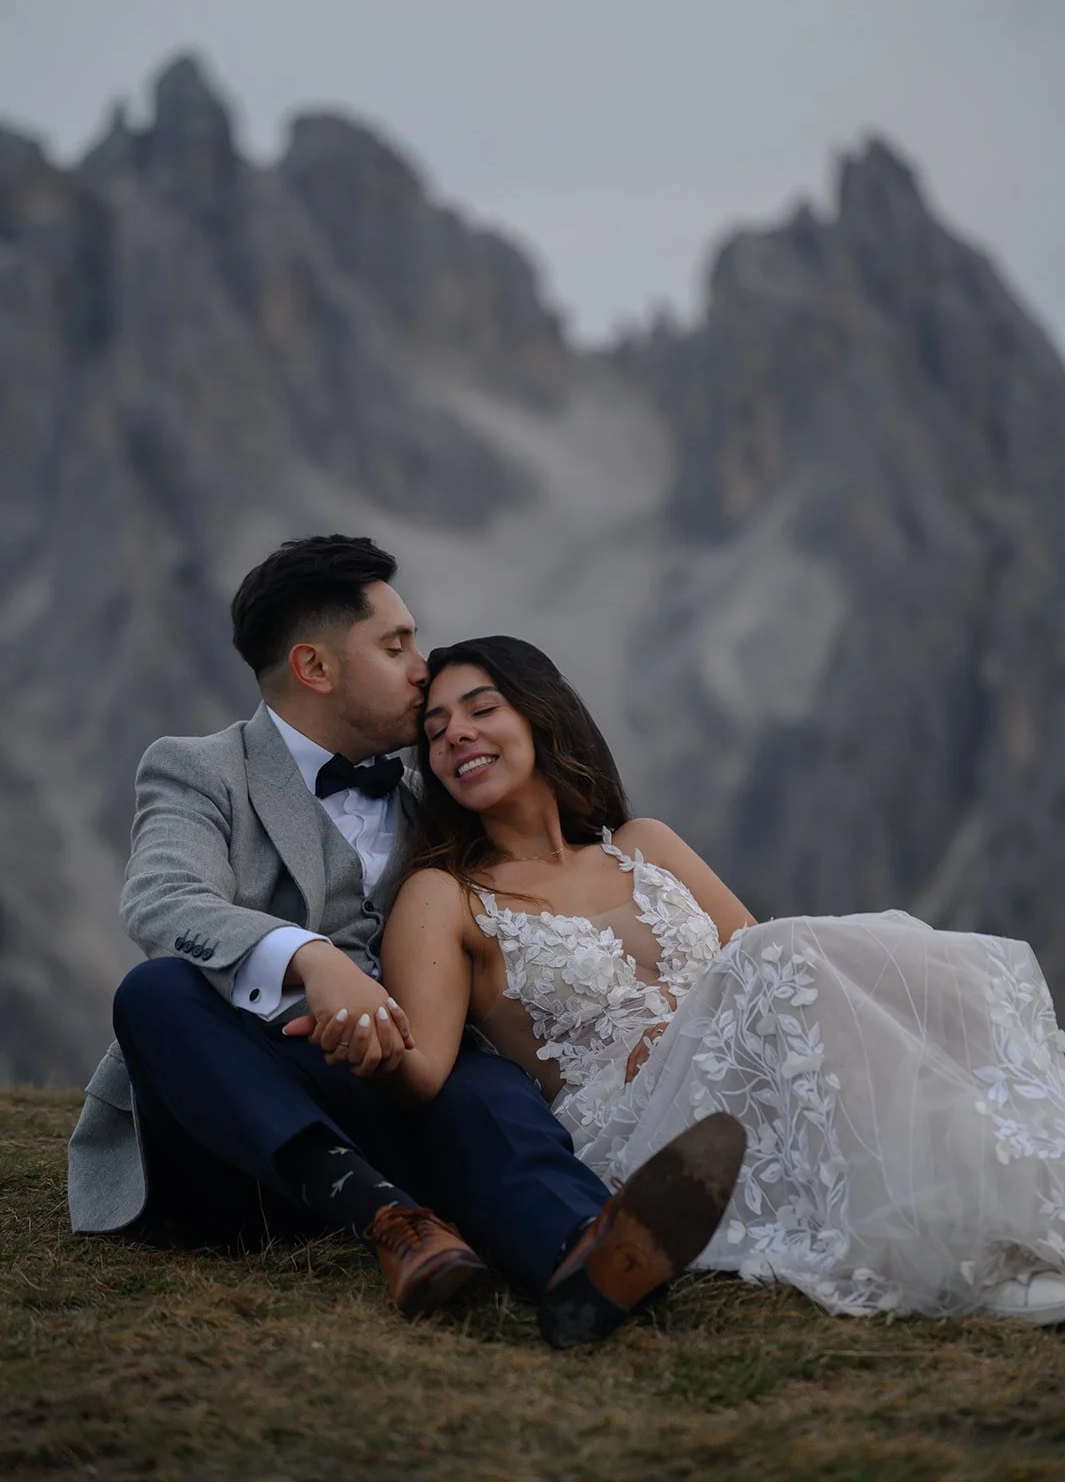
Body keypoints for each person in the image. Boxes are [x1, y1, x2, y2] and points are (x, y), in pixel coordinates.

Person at [67, 537, 745, 1349]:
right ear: (316, 669)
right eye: (396, 646)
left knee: (481, 1082)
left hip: (392, 1087)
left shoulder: (442, 785)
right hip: (234, 1134)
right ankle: (388, 1219)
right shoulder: (200, 771)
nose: (421, 668)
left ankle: (584, 1259)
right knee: (156, 992)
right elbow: (160, 898)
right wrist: (311, 960)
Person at [358, 633, 1065, 1325]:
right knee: (785, 951)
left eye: (481, 710)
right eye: (435, 728)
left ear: (539, 716)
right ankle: (959, 1259)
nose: (454, 735)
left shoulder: (645, 844)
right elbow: (423, 1072)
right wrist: (361, 1031)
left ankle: (1005, 1220)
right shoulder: (445, 894)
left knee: (822, 964)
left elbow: (773, 972)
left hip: (749, 1076)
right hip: (639, 1130)